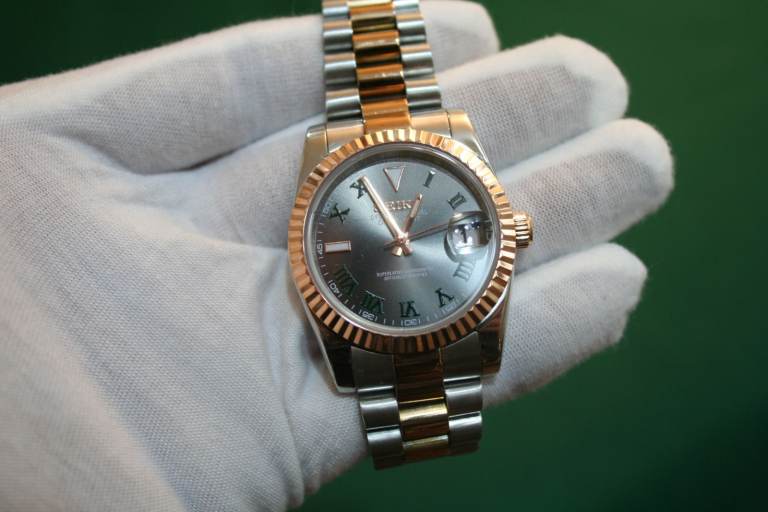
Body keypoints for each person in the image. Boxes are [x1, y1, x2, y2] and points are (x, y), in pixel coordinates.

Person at [0, 1, 673, 510]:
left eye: (408, 236)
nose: (402, 241)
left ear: (511, 232)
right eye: (397, 234)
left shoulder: (463, 226)